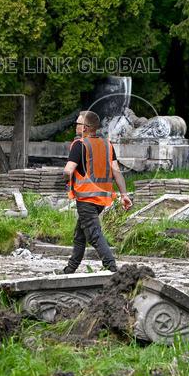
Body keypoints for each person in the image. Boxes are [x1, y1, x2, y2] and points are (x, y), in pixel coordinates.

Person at [61, 110, 132, 274]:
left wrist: (65, 182)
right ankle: (70, 269)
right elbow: (116, 171)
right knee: (80, 235)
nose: (76, 126)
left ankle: (112, 269)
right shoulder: (107, 145)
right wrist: (124, 195)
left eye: (78, 124)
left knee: (93, 234)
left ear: (85, 128)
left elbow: (68, 170)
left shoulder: (80, 144)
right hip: (102, 199)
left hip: (86, 199)